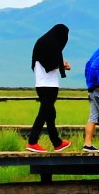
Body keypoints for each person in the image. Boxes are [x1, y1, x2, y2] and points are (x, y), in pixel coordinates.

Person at [26, 23, 72, 153]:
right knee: (44, 113)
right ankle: (32, 142)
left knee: (50, 113)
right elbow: (50, 64)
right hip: (48, 85)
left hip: (41, 84)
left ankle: (57, 143)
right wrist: (62, 66)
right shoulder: (52, 44)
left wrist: (61, 64)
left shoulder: (43, 42)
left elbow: (47, 61)